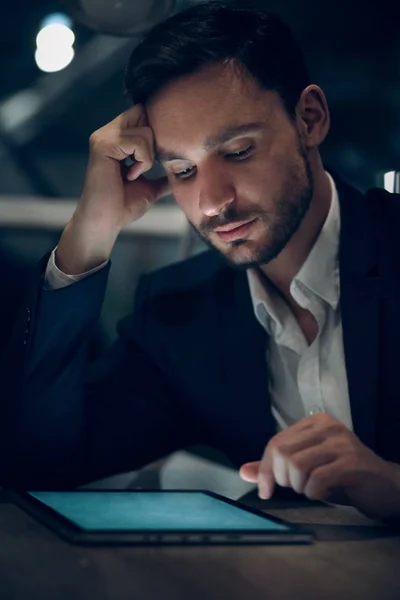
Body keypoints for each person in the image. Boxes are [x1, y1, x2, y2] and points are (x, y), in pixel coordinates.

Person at [1, 1, 400, 523]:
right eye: (183, 169)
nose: (212, 201)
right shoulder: (182, 318)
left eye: (237, 151)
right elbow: (36, 462)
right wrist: (89, 231)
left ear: (310, 119)